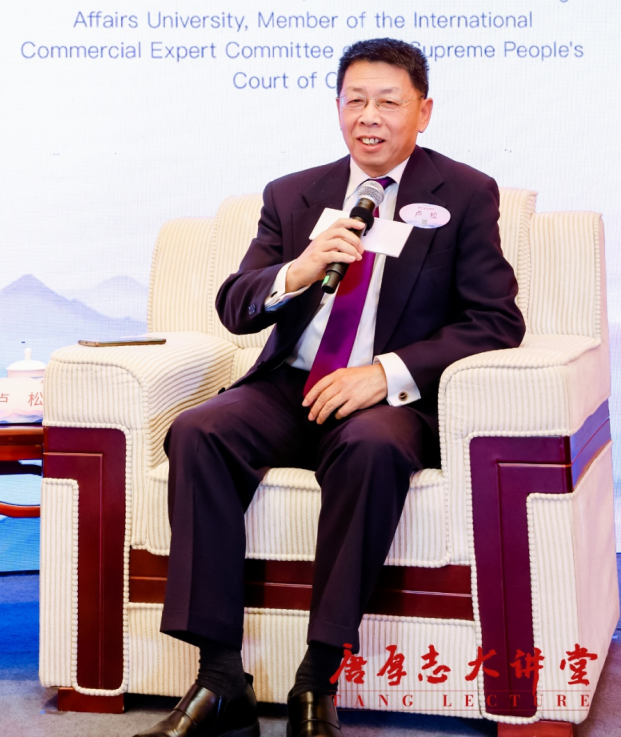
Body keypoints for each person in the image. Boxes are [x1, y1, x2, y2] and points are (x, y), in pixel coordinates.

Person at [136, 38, 525, 737]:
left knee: (371, 448)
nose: (368, 117)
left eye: (388, 102)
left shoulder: (464, 193)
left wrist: (386, 373)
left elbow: (495, 320)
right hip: (292, 384)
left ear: (423, 111)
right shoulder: (294, 194)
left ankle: (317, 678)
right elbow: (236, 306)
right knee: (199, 430)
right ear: (337, 107)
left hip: (387, 397)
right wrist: (298, 270)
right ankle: (220, 679)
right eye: (354, 100)